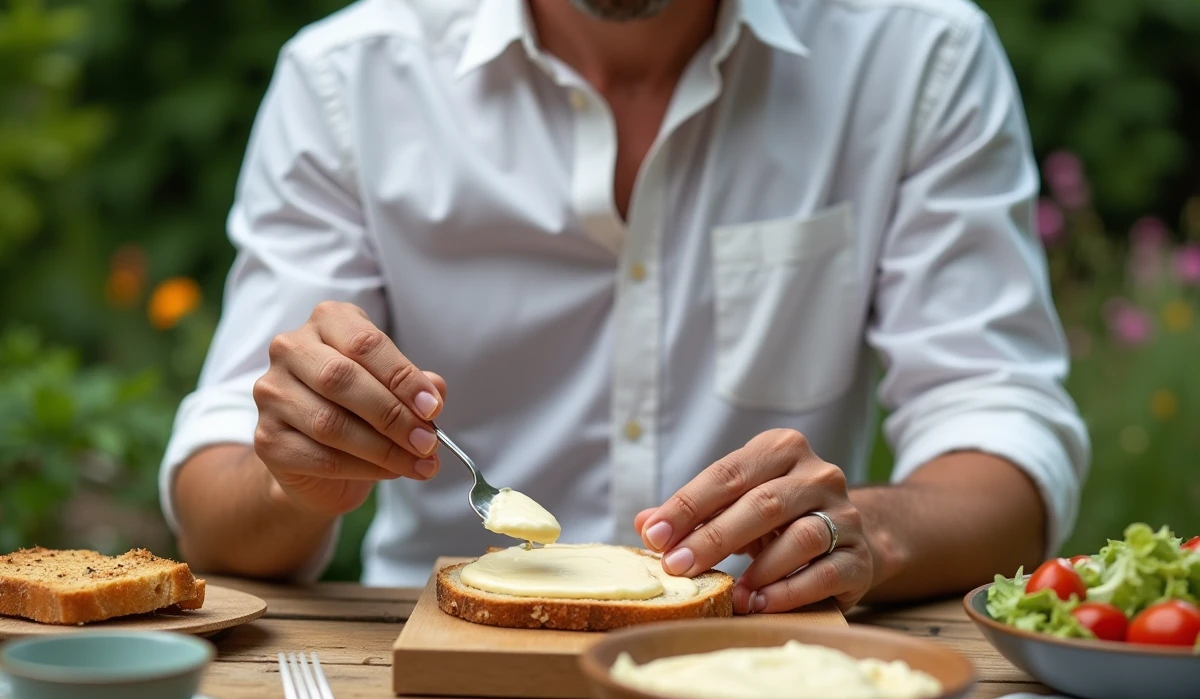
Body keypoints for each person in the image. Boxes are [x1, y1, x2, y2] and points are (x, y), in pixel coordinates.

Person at [161, 0, 1090, 614]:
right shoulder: (349, 78)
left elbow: (1002, 435)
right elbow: (215, 509)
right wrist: (296, 478)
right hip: (438, 669)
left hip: (769, 659)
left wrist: (871, 533)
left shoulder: (915, 53)